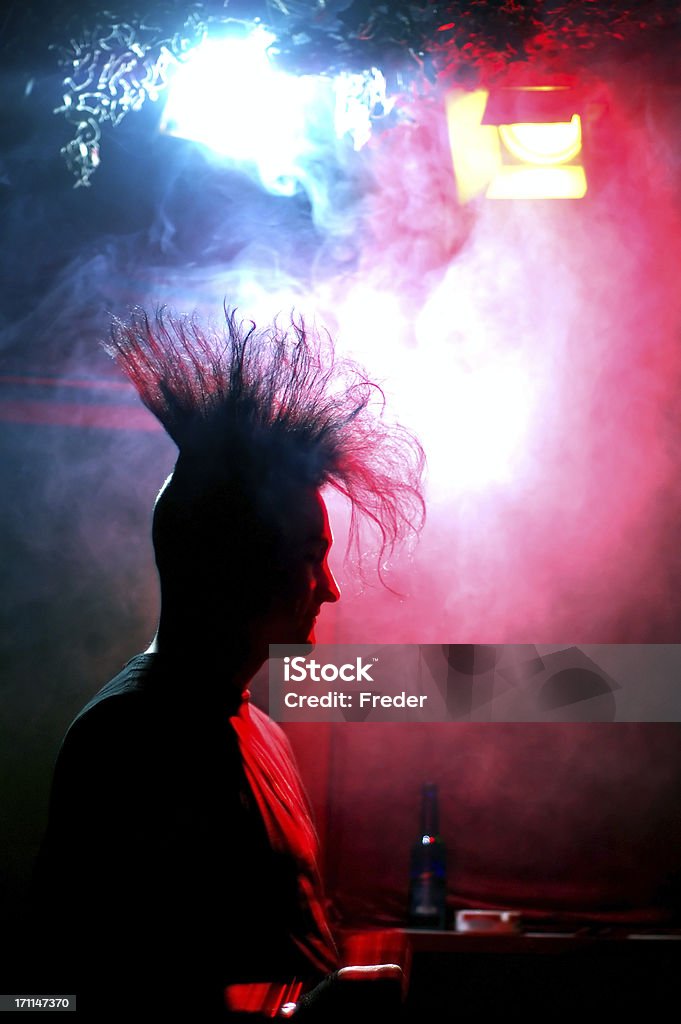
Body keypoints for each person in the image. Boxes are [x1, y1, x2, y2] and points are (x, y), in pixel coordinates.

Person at [30, 308, 425, 1019]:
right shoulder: (131, 742)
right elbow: (89, 999)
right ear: (234, 565)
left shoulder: (256, 730)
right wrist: (319, 1015)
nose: (330, 589)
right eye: (310, 560)